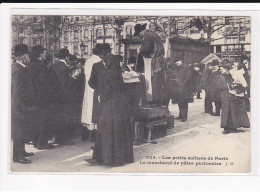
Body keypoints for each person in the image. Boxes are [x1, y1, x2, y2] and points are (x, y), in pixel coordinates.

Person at [86, 43, 134, 166]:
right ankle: (121, 158)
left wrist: (100, 89)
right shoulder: (117, 65)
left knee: (104, 130)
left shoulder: (97, 66)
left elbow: (91, 83)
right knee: (119, 129)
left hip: (106, 102)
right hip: (119, 102)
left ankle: (103, 158)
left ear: (101, 54)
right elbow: (122, 85)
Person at [11, 44, 36, 164]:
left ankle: (22, 151)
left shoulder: (22, 68)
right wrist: (23, 106)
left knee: (23, 129)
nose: (29, 57)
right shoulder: (17, 69)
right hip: (19, 107)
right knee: (19, 131)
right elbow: (17, 91)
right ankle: (17, 156)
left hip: (23, 106)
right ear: (21, 57)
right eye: (27, 55)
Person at [51, 48, 81, 145]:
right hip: (65, 96)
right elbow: (65, 83)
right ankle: (63, 139)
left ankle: (57, 137)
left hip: (56, 95)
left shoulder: (54, 65)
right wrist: (74, 77)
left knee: (58, 117)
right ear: (67, 57)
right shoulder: (64, 67)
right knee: (65, 117)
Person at [28, 45, 54, 150]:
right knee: (44, 120)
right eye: (43, 53)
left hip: (33, 97)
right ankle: (42, 143)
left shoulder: (30, 65)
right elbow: (45, 84)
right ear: (40, 54)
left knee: (35, 120)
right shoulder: (41, 66)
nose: (45, 55)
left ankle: (35, 142)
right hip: (42, 97)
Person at [134, 23, 165, 105]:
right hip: (158, 60)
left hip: (151, 60)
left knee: (149, 79)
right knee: (155, 80)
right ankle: (156, 100)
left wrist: (139, 50)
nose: (140, 36)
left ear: (141, 31)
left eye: (139, 34)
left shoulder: (147, 35)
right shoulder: (154, 34)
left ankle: (150, 99)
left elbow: (146, 48)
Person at [217, 61, 250, 134]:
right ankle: (227, 127)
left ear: (226, 69)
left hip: (231, 95)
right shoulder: (223, 75)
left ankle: (232, 126)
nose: (221, 71)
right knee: (228, 112)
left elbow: (242, 83)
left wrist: (236, 87)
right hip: (226, 95)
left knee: (232, 112)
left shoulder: (231, 74)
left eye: (222, 69)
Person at [81, 44, 103, 142]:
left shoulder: (88, 61)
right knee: (95, 109)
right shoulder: (99, 61)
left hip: (88, 87)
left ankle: (87, 131)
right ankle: (95, 132)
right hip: (96, 88)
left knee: (88, 108)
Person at [171, 56, 193, 122]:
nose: (176, 63)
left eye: (177, 61)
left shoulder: (185, 68)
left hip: (184, 88)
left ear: (181, 61)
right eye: (175, 62)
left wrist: (183, 83)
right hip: (178, 88)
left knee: (184, 103)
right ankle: (180, 115)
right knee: (179, 102)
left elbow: (188, 77)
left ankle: (184, 117)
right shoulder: (177, 68)